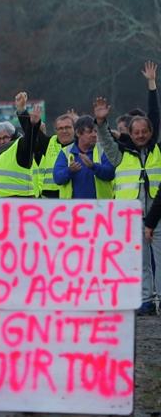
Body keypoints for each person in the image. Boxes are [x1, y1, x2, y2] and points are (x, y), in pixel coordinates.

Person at [96, 95, 161, 316]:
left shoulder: (158, 152)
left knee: (160, 261)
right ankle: (145, 300)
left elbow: (155, 117)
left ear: (151, 133)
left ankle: (159, 298)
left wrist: (152, 88)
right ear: (130, 135)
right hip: (131, 217)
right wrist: (101, 123)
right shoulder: (120, 154)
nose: (141, 135)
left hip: (157, 215)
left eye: (144, 131)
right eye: (136, 132)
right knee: (140, 262)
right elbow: (105, 140)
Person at [52, 115, 115, 199]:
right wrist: (70, 170)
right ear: (78, 133)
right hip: (73, 209)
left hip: (101, 208)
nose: (94, 135)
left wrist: (93, 166)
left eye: (95, 131)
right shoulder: (66, 152)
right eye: (89, 132)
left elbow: (111, 173)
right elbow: (57, 178)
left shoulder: (104, 150)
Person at [34, 112, 76, 197]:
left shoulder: (82, 145)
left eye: (67, 127)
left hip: (72, 196)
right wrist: (22, 111)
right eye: (60, 128)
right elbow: (33, 133)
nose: (64, 131)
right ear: (56, 131)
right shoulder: (48, 143)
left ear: (74, 129)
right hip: (49, 198)